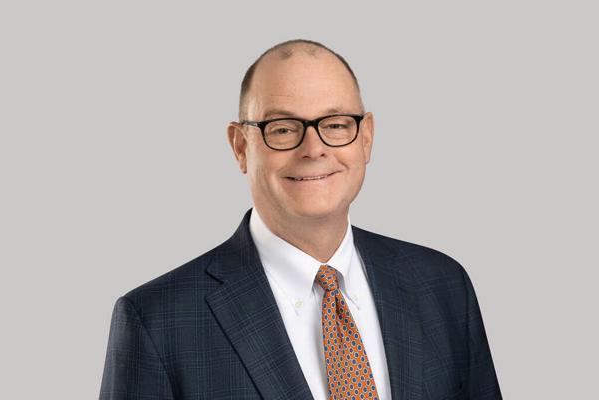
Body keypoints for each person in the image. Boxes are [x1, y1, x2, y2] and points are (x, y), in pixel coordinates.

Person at [99, 39, 502, 400]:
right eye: (283, 129)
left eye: (336, 125)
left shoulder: (442, 286)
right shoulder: (157, 321)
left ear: (366, 138)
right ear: (240, 146)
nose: (313, 148)